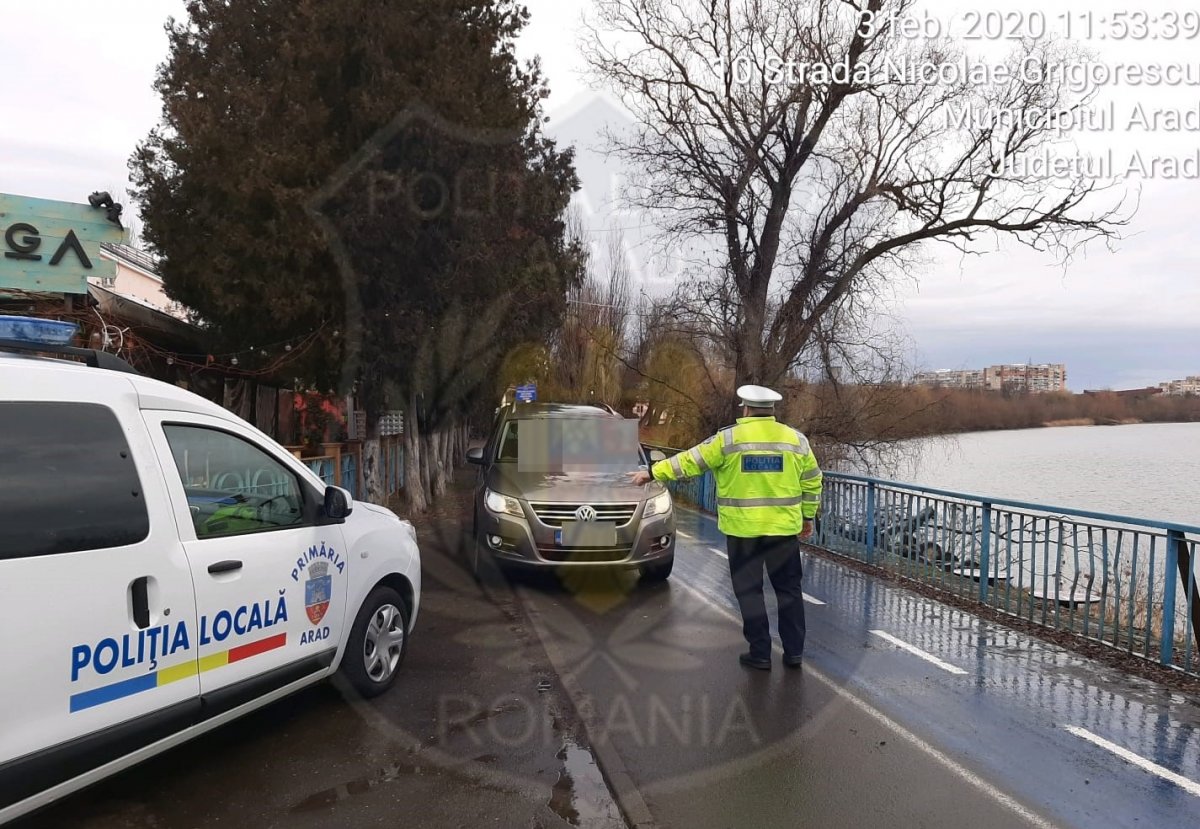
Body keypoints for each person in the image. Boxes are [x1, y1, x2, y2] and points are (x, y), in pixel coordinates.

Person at [630, 385, 822, 670]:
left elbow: (689, 462)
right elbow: (813, 481)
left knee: (750, 591)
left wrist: (651, 472)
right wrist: (807, 516)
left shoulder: (728, 440)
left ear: (745, 408)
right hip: (783, 532)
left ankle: (760, 653)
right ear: (771, 411)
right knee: (789, 591)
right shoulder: (795, 440)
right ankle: (794, 653)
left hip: (743, 533)